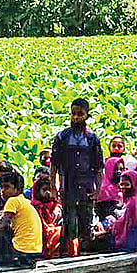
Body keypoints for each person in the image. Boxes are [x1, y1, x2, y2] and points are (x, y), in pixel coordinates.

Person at [50, 98, 104, 255]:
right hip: (68, 187)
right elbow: (54, 165)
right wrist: (54, 188)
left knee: (86, 223)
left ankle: (86, 254)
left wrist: (98, 190)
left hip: (86, 188)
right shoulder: (62, 137)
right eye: (73, 114)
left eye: (80, 114)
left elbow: (99, 167)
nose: (76, 117)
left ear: (87, 115)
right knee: (69, 224)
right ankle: (67, 254)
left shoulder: (92, 138)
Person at [0, 167, 43, 267]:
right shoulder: (24, 201)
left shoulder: (12, 201)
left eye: (7, 187)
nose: (2, 191)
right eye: (1, 187)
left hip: (21, 252)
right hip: (34, 252)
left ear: (17, 189)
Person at [104, 170, 137, 266]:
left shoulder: (134, 201)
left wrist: (111, 227)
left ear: (133, 184)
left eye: (126, 185)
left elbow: (126, 225)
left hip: (136, 241)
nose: (123, 188)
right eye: (122, 185)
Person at [30, 172, 64, 259]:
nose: (48, 192)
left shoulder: (55, 204)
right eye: (44, 190)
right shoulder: (36, 207)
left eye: (50, 190)